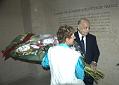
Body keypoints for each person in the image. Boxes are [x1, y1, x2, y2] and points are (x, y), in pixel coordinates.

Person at [74, 18, 100, 85]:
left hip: (89, 72)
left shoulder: (92, 38)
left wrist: (94, 62)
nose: (87, 30)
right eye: (85, 27)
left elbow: (96, 52)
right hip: (76, 72)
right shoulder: (72, 37)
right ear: (78, 27)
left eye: (89, 28)